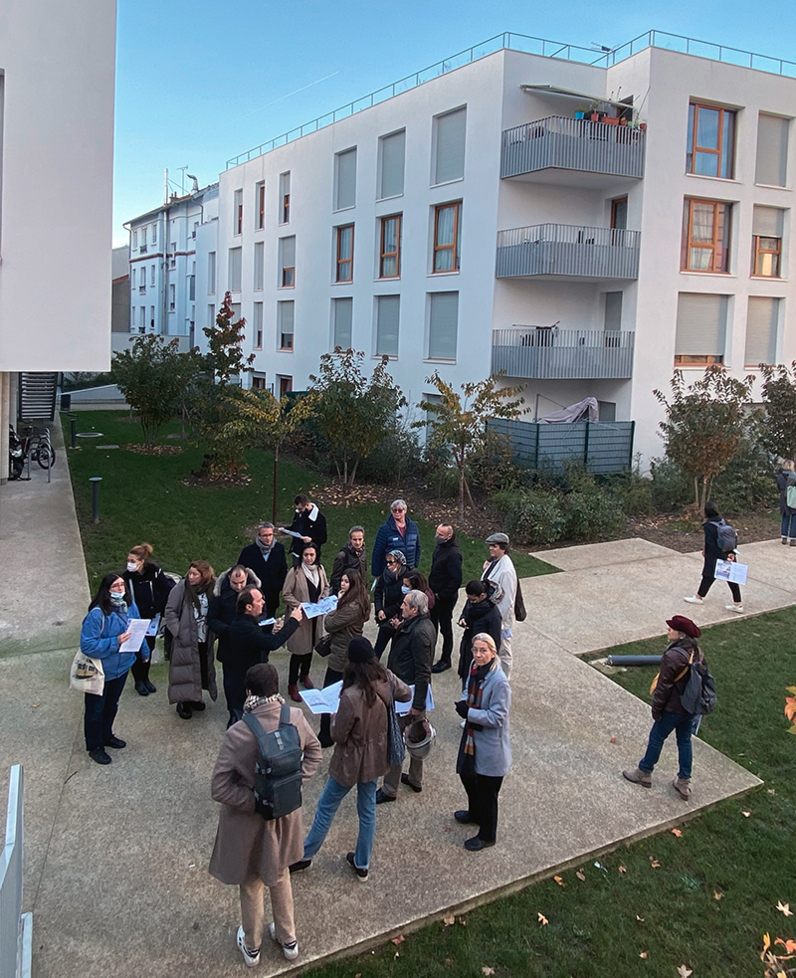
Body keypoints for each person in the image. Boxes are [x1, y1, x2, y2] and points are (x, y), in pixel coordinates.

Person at [209, 663, 322, 965]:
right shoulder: (295, 718)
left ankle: (253, 946)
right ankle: (288, 940)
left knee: (251, 882)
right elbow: (315, 752)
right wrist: (294, 785)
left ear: (249, 693)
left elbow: (219, 787)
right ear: (275, 689)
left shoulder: (238, 733)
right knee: (281, 873)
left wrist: (253, 800)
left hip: (251, 822)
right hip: (285, 816)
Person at [290, 638, 412, 881]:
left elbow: (337, 734)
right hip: (376, 756)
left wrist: (335, 716)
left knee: (326, 806)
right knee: (367, 809)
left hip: (350, 760)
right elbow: (406, 693)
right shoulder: (385, 677)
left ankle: (305, 855)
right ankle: (362, 863)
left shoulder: (351, 696)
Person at [623, 615, 705, 801]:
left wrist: (657, 709)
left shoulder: (673, 656)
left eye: (672, 628)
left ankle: (644, 772)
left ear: (681, 635)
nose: (668, 630)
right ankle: (683, 782)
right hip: (689, 707)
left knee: (657, 737)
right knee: (684, 741)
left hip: (673, 708)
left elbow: (664, 686)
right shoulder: (697, 652)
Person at [376, 590, 435, 803]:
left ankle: (390, 789)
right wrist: (400, 629)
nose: (401, 606)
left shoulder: (419, 633)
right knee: (416, 735)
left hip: (407, 697)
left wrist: (417, 705)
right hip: (412, 694)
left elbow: (423, 671)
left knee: (397, 741)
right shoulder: (419, 626)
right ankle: (415, 779)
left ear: (415, 609)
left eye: (404, 604)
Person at [454, 633, 512, 851]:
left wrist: (469, 713)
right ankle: (475, 813)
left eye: (483, 651)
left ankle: (488, 835)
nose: (478, 655)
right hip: (472, 738)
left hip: (490, 746)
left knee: (488, 793)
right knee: (468, 776)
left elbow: (498, 717)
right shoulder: (474, 666)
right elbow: (467, 688)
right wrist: (463, 702)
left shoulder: (500, 682)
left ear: (493, 652)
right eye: (475, 650)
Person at [79, 573, 142, 765]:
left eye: (122, 585)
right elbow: (87, 645)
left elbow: (138, 627)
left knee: (111, 705)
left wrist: (144, 651)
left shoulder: (129, 606)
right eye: (115, 586)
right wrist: (115, 642)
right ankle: (95, 746)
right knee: (95, 710)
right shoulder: (97, 614)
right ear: (106, 590)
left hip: (121, 668)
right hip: (100, 671)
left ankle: (107, 735)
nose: (121, 589)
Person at [226, 588, 304, 724]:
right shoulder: (244, 627)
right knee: (245, 719)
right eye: (259, 600)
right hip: (245, 682)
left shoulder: (245, 621)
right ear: (248, 607)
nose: (263, 602)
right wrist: (293, 620)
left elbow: (258, 640)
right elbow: (272, 644)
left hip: (247, 676)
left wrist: (270, 633)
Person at [317, 568, 371, 748]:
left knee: (330, 695)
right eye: (342, 580)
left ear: (354, 584)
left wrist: (335, 605)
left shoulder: (352, 606)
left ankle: (326, 735)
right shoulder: (357, 601)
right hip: (343, 652)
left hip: (341, 656)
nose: (342, 584)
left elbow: (330, 623)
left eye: (347, 582)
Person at [208, 565, 261, 727]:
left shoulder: (254, 591)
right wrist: (229, 630)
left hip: (251, 646)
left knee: (252, 682)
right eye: (235, 583)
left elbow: (264, 611)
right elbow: (212, 620)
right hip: (229, 646)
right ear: (229, 578)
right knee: (231, 683)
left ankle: (251, 712)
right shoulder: (220, 594)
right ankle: (234, 712)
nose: (239, 587)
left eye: (242, 583)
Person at [164, 560, 218, 720]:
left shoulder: (212, 588)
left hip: (204, 638)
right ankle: (183, 702)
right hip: (185, 639)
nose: (191, 576)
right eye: (190, 573)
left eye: (195, 574)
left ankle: (195, 697)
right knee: (183, 671)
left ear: (204, 576)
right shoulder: (181, 588)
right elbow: (170, 610)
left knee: (200, 667)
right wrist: (178, 631)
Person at [122, 542, 175, 697]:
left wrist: (155, 608)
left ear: (142, 561)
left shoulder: (154, 572)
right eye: (128, 560)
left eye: (133, 561)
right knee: (136, 648)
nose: (129, 564)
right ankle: (138, 679)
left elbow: (166, 589)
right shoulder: (127, 578)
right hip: (135, 618)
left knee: (148, 647)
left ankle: (145, 677)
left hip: (152, 618)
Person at [282, 543, 329, 702]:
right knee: (298, 652)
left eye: (312, 555)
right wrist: (300, 605)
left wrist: (323, 600)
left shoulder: (320, 570)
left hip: (315, 618)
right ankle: (292, 684)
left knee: (310, 648)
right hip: (300, 619)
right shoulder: (295, 572)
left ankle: (305, 675)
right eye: (306, 555)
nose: (309, 558)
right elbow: (286, 594)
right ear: (301, 556)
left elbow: (326, 588)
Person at [684, 501, 742, 613]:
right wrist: (732, 553)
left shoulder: (708, 526)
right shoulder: (724, 521)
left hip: (715, 556)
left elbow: (711, 543)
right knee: (731, 579)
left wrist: (716, 555)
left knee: (708, 575)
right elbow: (733, 537)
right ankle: (737, 604)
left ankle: (698, 597)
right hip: (728, 552)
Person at [482, 532, 518, 679]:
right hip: (492, 614)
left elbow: (507, 600)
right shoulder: (495, 562)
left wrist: (497, 622)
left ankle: (504, 678)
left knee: (503, 649)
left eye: (494, 546)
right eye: (490, 545)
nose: (491, 548)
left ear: (503, 548)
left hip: (501, 619)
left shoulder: (507, 571)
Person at [429, 524, 463, 674]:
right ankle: (428, 654)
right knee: (431, 625)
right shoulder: (441, 547)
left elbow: (456, 580)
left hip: (444, 598)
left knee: (445, 628)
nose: (437, 536)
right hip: (434, 594)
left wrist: (441, 595)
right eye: (437, 532)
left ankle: (446, 659)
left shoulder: (453, 554)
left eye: (440, 534)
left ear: (448, 536)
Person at [456, 581, 503, 687]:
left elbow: (495, 644)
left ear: (482, 595)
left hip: (480, 657)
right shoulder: (472, 601)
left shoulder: (494, 616)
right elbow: (466, 611)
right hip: (468, 648)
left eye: (473, 599)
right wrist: (463, 618)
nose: (470, 602)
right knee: (466, 681)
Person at [238, 523, 288, 618]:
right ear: (259, 536)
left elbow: (283, 569)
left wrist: (279, 585)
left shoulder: (279, 548)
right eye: (265, 535)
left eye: (270, 535)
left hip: (272, 594)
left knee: (270, 621)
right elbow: (242, 571)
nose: (268, 538)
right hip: (254, 595)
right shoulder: (248, 551)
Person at [371, 499, 421, 578]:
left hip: (409, 569)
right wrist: (376, 573)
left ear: (405, 511)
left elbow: (417, 546)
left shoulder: (413, 526)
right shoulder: (385, 529)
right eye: (394, 510)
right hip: (391, 570)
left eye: (400, 510)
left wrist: (415, 562)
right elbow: (378, 551)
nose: (397, 512)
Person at [372, 549, 406, 661]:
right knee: (377, 650)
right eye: (387, 562)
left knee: (395, 653)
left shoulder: (406, 579)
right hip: (386, 619)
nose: (388, 565)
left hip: (399, 618)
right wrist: (379, 609)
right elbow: (378, 593)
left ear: (399, 563)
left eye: (391, 562)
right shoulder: (385, 574)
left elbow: (402, 603)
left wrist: (385, 612)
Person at [280, 493, 328, 565]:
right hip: (297, 551)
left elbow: (323, 538)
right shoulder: (298, 514)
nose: (298, 511)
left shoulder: (319, 518)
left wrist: (311, 540)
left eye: (300, 509)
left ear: (307, 505)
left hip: (310, 555)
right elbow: (294, 528)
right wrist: (285, 530)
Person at [329, 525, 366, 593]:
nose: (357, 543)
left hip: (359, 590)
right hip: (346, 592)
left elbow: (364, 572)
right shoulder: (342, 556)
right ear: (350, 539)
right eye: (354, 539)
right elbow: (335, 578)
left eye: (360, 539)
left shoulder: (362, 552)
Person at [776, 460, 796, 545]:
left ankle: (784, 537)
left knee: (785, 517)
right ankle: (793, 538)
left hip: (783, 498)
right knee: (794, 518)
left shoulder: (779, 477)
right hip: (793, 498)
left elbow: (778, 487)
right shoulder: (794, 477)